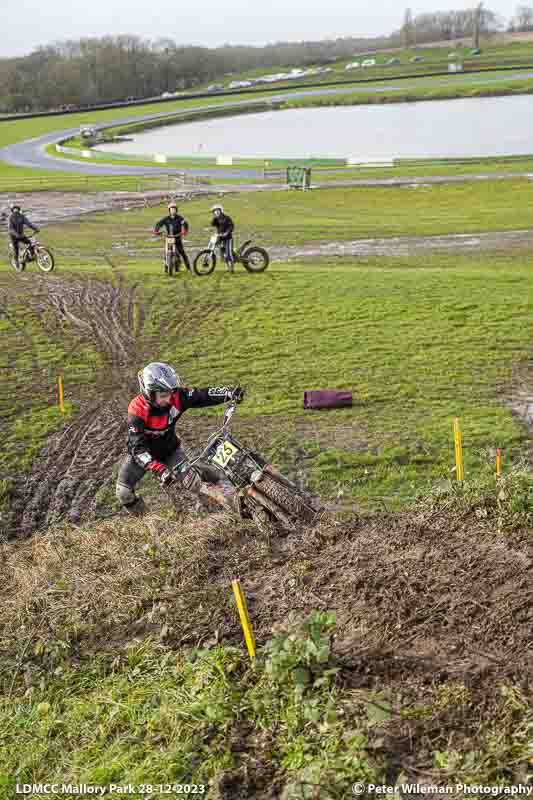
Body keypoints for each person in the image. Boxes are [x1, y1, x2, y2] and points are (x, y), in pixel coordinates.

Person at [116, 362, 244, 516]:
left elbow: (201, 395)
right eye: (163, 395)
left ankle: (227, 495)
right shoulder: (137, 410)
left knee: (194, 483)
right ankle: (149, 522)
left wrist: (228, 392)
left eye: (170, 393)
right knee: (123, 492)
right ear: (149, 393)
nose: (169, 399)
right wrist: (159, 469)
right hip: (143, 454)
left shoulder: (177, 397)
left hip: (170, 451)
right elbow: (137, 448)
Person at [153, 202, 191, 272]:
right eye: (171, 209)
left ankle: (189, 268)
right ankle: (166, 268)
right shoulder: (166, 219)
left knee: (182, 253)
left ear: (176, 210)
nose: (173, 210)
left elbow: (185, 224)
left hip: (177, 237)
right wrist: (156, 230)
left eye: (174, 209)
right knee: (166, 253)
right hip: (169, 237)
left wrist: (185, 231)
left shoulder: (180, 218)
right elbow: (158, 224)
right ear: (169, 210)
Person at [7, 204, 39, 271]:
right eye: (14, 209)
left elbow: (28, 223)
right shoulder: (10, 217)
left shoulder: (22, 216)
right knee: (16, 249)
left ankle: (30, 256)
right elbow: (10, 229)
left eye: (17, 209)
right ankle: (16, 262)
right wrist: (16, 234)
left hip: (21, 235)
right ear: (12, 210)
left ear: (19, 209)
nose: (16, 210)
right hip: (13, 236)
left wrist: (35, 228)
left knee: (31, 242)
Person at [211, 204, 235, 272]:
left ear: (221, 210)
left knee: (228, 253)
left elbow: (231, 226)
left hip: (228, 238)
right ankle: (228, 268)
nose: (216, 212)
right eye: (214, 211)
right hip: (220, 238)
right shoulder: (216, 219)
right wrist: (214, 218)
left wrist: (227, 232)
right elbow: (212, 224)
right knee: (223, 253)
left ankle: (232, 268)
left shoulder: (227, 218)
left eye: (217, 210)